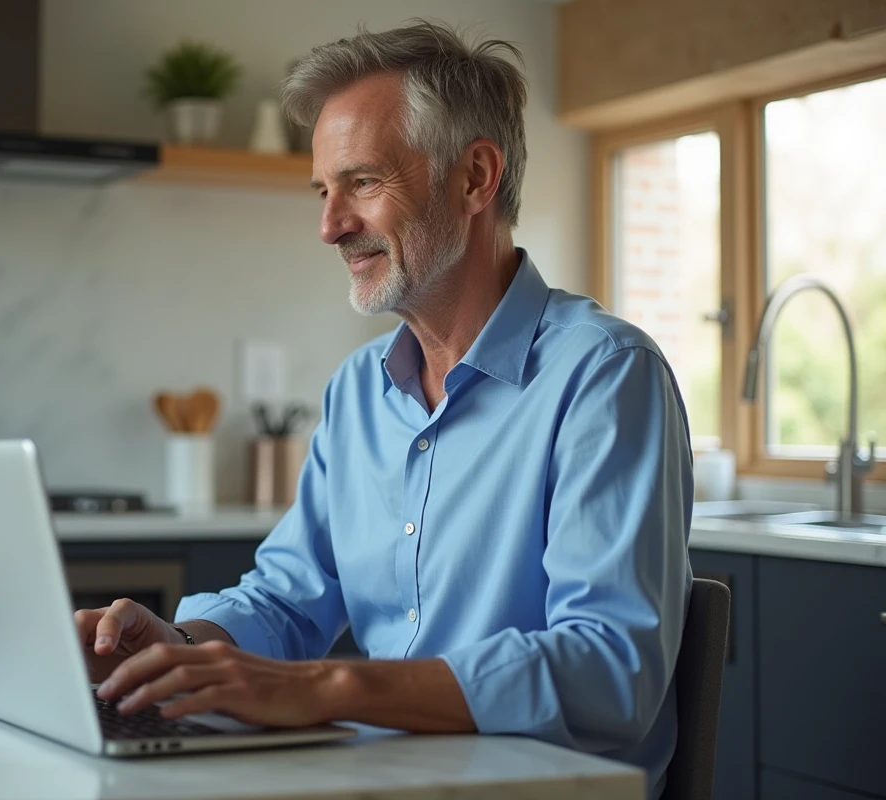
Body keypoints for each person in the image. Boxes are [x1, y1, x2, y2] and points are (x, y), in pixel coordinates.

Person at [78, 20, 692, 797]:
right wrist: (175, 647)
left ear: (475, 178)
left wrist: (333, 688)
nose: (330, 225)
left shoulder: (604, 375)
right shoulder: (357, 391)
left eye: (362, 183)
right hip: (384, 777)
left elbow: (610, 669)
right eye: (323, 191)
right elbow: (288, 597)